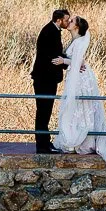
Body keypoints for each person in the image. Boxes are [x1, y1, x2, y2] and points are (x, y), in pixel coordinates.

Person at [52, 16, 106, 168]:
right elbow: (81, 60)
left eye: (72, 21)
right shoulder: (76, 40)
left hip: (81, 78)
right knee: (77, 108)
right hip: (76, 75)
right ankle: (77, 139)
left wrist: (63, 61)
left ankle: (84, 142)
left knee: (82, 107)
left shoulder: (79, 41)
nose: (69, 22)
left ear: (77, 27)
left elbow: (79, 61)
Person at [31, 8, 70, 154]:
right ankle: (42, 146)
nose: (68, 22)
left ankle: (45, 143)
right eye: (66, 20)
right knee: (43, 112)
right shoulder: (50, 32)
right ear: (59, 20)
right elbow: (53, 57)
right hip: (44, 79)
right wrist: (70, 63)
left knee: (45, 112)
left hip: (45, 78)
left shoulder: (52, 30)